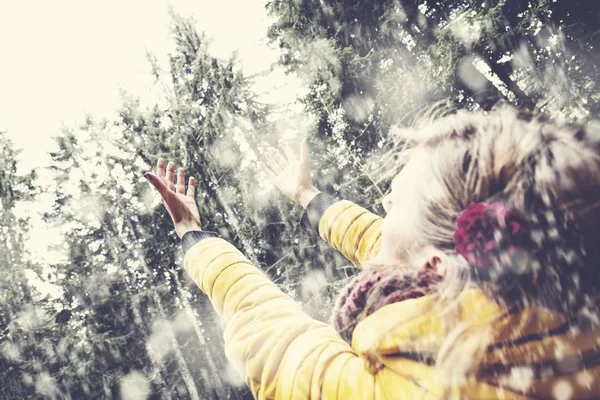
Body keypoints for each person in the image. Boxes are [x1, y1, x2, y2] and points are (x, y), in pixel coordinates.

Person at [144, 104, 600, 399]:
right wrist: (308, 197)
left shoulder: (399, 390)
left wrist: (194, 237)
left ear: (435, 269)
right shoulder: (570, 337)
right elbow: (383, 243)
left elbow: (274, 339)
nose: (383, 206)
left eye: (395, 203)